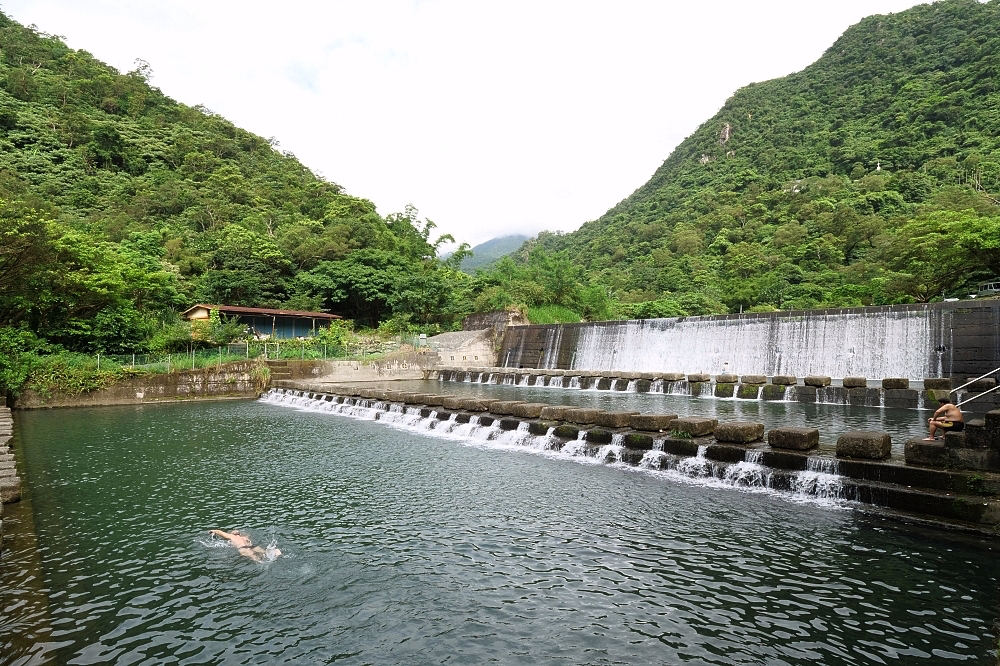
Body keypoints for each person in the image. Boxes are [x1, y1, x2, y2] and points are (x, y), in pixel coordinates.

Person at [210, 529, 281, 562]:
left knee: (254, 558)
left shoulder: (231, 536)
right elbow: (247, 534)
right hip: (252, 546)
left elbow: (220, 532)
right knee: (265, 552)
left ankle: (264, 562)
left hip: (243, 548)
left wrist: (213, 531)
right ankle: (274, 554)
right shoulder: (245, 537)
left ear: (232, 533)